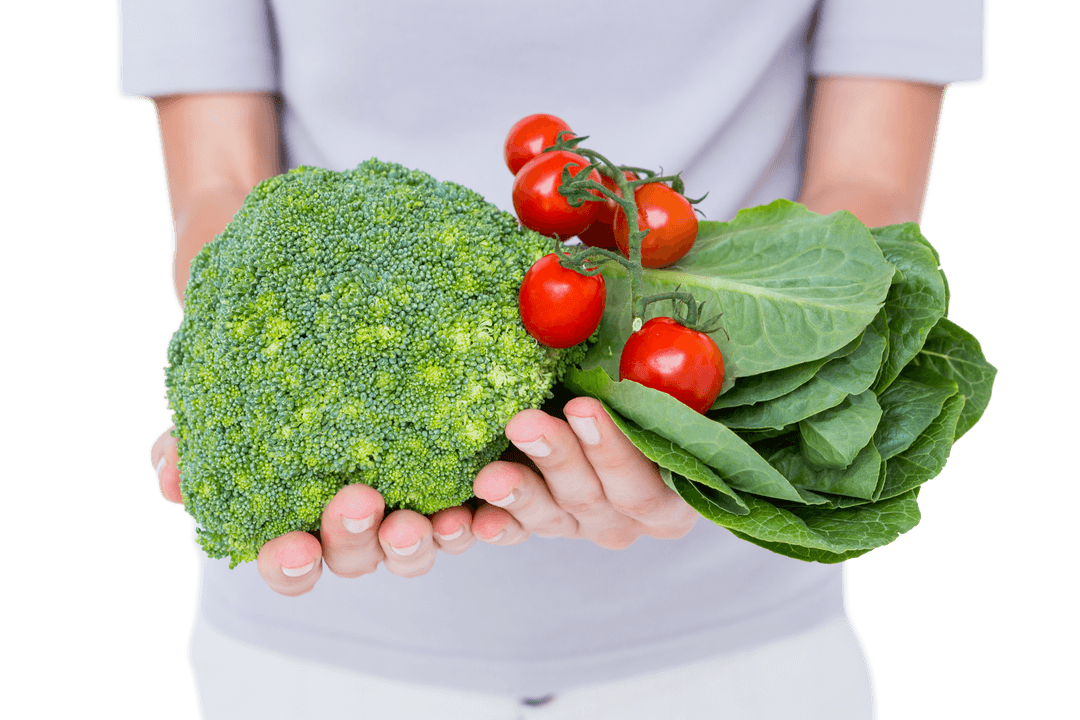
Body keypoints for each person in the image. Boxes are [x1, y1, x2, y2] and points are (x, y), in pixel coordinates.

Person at [119, 1, 988, 717]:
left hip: (739, 641)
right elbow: (217, 189)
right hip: (315, 658)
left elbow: (861, 204)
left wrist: (683, 437)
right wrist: (261, 368)